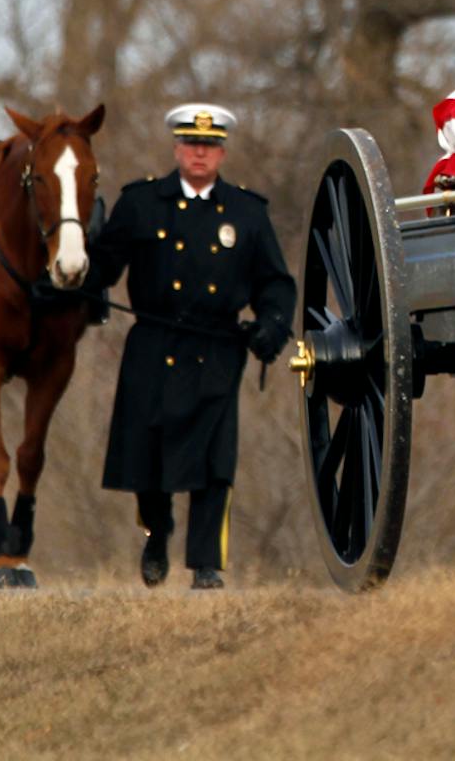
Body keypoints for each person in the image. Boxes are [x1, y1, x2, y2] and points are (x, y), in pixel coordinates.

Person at [89, 104, 294, 589]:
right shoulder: (140, 203)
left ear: (221, 153)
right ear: (177, 148)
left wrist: (272, 326)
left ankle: (206, 566)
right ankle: (157, 530)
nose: (199, 153)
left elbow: (276, 285)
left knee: (214, 465)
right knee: (148, 459)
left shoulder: (247, 212)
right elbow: (103, 268)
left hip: (217, 349)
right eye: (190, 144)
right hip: (152, 345)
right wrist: (71, 262)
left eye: (209, 146)